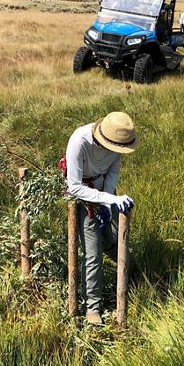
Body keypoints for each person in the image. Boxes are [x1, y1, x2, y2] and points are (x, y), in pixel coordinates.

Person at [64, 112, 137, 325]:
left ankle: (125, 272)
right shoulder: (79, 141)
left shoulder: (117, 141)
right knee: (92, 252)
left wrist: (107, 201)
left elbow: (113, 171)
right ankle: (92, 307)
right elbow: (74, 186)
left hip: (103, 190)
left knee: (112, 236)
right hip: (82, 194)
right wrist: (102, 200)